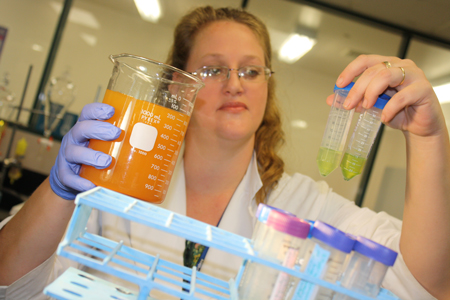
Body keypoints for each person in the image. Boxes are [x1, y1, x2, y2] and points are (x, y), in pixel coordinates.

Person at [0, 5, 449, 300]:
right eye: (213, 68)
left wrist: (428, 138)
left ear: (266, 87)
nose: (235, 83)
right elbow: (10, 282)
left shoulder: (304, 207)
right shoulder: (118, 183)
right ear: (179, 85)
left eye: (251, 71)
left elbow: (425, 282)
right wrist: (60, 191)